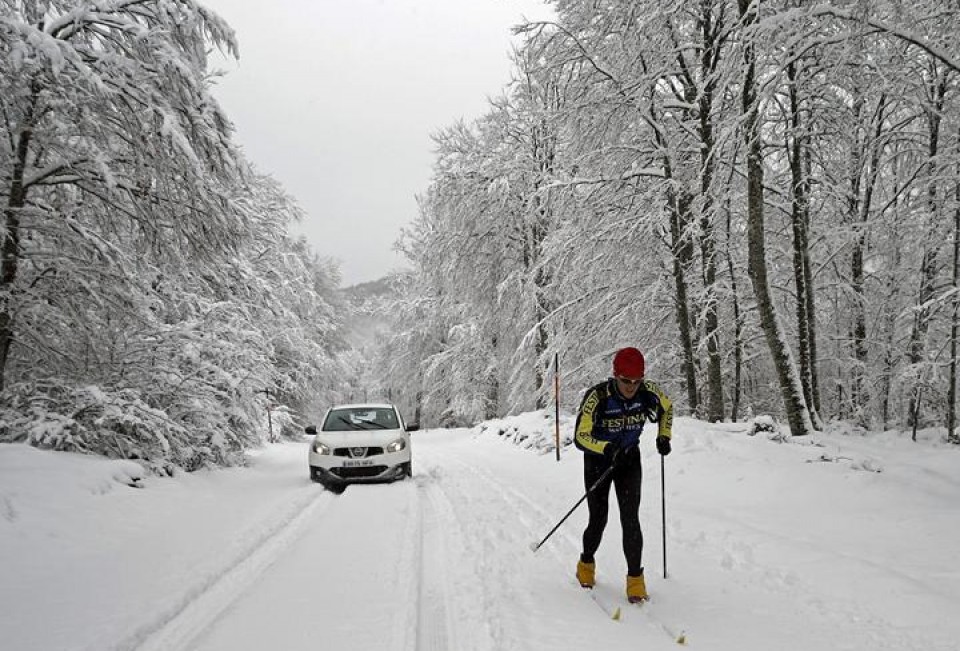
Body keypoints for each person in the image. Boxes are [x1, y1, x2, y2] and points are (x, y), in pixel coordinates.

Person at [573, 346, 673, 603]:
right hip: (598, 461)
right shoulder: (598, 397)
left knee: (631, 519)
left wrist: (664, 436)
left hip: (629, 459)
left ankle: (636, 582)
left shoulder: (648, 392)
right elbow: (580, 436)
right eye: (625, 381)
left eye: (636, 381)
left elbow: (667, 408)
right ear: (615, 376)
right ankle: (586, 564)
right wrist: (606, 447)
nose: (631, 386)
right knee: (599, 518)